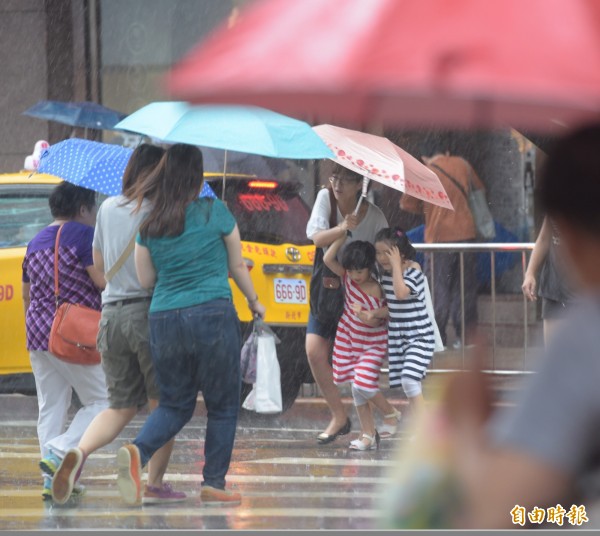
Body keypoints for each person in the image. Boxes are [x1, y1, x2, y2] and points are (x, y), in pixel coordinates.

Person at [386, 124, 600, 529]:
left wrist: (465, 427)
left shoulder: (583, 340)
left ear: (566, 234)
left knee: (446, 296)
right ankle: (457, 332)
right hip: (463, 238)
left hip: (440, 238)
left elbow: (504, 511)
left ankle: (451, 337)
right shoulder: (464, 167)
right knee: (459, 296)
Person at [113, 143, 265, 506]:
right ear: (198, 178)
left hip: (164, 319)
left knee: (175, 404)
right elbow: (237, 265)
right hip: (212, 313)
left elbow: (146, 279)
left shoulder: (151, 223)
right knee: (223, 405)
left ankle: (138, 451)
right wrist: (254, 301)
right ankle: (213, 482)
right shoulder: (217, 211)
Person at [51, 144, 187, 505]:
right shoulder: (160, 211)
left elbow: (98, 260)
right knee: (164, 404)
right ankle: (154, 480)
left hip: (110, 316)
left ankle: (78, 453)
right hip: (147, 314)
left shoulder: (109, 206)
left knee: (120, 406)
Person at [21, 181, 109, 501]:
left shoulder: (34, 242)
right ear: (83, 208)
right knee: (105, 402)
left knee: (51, 407)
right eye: (93, 208)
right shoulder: (83, 235)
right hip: (73, 334)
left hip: (37, 333)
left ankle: (53, 481)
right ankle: (59, 453)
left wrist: (36, 329)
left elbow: (27, 296)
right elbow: (101, 281)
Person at [305, 164, 395, 445]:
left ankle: (369, 429)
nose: (338, 185)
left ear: (360, 184)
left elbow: (385, 255)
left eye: (345, 180)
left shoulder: (377, 217)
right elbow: (315, 238)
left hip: (360, 295)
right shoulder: (325, 199)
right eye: (334, 178)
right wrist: (343, 227)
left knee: (359, 364)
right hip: (330, 287)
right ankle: (339, 416)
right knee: (315, 351)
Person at [400, 149, 485, 349]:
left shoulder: (424, 171)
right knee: (464, 289)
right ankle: (466, 338)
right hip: (466, 235)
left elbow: (407, 204)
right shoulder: (463, 164)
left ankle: (437, 338)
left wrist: (429, 206)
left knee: (438, 290)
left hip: (439, 239)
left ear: (425, 156)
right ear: (446, 152)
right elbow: (479, 190)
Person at [323, 238, 388, 450]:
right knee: (356, 390)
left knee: (362, 384)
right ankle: (368, 434)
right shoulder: (348, 280)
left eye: (359, 272)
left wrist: (363, 315)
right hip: (352, 341)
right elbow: (326, 258)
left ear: (370, 268)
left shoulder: (376, 289)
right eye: (350, 271)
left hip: (372, 344)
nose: (353, 276)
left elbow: (376, 321)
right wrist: (341, 235)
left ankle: (391, 413)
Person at [374, 227, 436, 419]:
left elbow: (401, 294)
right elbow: (392, 306)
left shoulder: (413, 272)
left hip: (419, 336)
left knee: (409, 380)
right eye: (378, 253)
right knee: (409, 382)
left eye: (387, 253)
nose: (382, 257)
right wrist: (372, 314)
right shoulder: (386, 275)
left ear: (399, 253)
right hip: (400, 337)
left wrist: (396, 266)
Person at [522, 215, 574, 344]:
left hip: (586, 294)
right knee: (555, 356)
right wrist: (530, 273)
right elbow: (544, 238)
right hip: (554, 289)